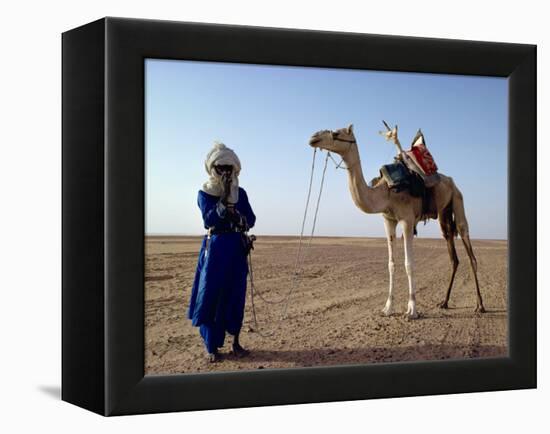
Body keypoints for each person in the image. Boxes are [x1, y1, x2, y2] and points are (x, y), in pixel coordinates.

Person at [187, 142, 256, 363]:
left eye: (229, 168)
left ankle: (235, 342)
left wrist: (238, 216)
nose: (225, 172)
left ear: (235, 169)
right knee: (211, 294)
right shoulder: (204, 193)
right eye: (221, 168)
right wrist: (224, 199)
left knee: (236, 293)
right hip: (215, 249)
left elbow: (251, 220)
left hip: (236, 248)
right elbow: (209, 219)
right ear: (213, 169)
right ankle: (211, 347)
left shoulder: (241, 194)